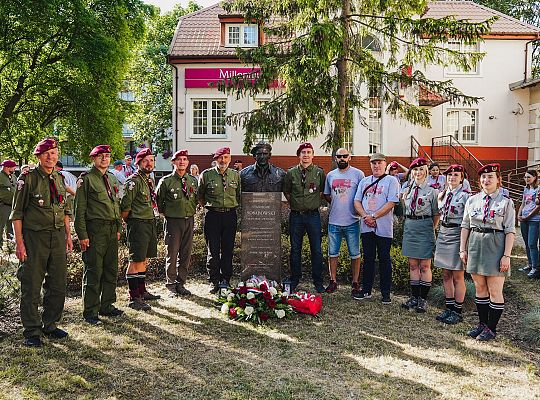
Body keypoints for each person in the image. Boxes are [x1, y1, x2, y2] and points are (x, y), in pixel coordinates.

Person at [11, 138, 73, 347]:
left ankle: (50, 324)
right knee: (31, 283)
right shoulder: (27, 178)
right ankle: (32, 330)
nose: (50, 157)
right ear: (38, 156)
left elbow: (64, 209)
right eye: (46, 153)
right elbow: (17, 214)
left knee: (57, 283)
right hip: (34, 237)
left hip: (56, 236)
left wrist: (67, 235)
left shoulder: (58, 177)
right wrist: (19, 244)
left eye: (54, 153)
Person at [460, 163, 515, 341]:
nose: (486, 180)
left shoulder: (506, 202)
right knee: (480, 288)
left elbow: (510, 231)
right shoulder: (472, 200)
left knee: (495, 289)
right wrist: (463, 249)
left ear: (498, 180)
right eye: (483, 177)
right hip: (476, 245)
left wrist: (506, 255)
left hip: (496, 246)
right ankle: (482, 324)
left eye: (490, 177)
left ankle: (492, 328)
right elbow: (465, 226)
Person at [74, 145, 123, 325]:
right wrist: (82, 234)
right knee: (94, 271)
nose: (105, 159)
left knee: (110, 270)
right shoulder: (86, 179)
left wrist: (118, 227)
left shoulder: (111, 178)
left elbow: (115, 205)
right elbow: (79, 209)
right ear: (93, 159)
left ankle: (107, 305)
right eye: (100, 156)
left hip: (111, 230)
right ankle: (91, 311)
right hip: (95, 230)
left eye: (107, 156)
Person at [353, 153, 399, 303]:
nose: (376, 166)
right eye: (373, 163)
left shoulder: (391, 181)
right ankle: (366, 290)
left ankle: (385, 293)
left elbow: (392, 202)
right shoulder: (365, 181)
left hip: (383, 227)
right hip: (367, 226)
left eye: (379, 163)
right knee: (368, 258)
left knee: (384, 259)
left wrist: (374, 216)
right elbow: (357, 201)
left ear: (385, 164)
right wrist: (366, 216)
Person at [121, 148, 160, 311]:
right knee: (135, 260)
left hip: (149, 222)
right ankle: (134, 296)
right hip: (137, 224)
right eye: (145, 161)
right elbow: (124, 207)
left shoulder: (148, 180)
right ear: (138, 163)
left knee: (143, 259)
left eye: (151, 160)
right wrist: (130, 222)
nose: (149, 163)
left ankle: (142, 291)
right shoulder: (133, 181)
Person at [283, 142, 326, 293]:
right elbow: (287, 193)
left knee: (317, 250)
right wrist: (297, 204)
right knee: (295, 249)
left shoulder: (319, 173)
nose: (306, 155)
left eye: (309, 152)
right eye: (303, 152)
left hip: (313, 216)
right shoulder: (291, 173)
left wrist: (310, 203)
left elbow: (321, 192)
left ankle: (318, 282)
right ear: (299, 155)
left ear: (313, 155)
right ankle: (295, 279)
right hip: (296, 216)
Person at [198, 147, 241, 293]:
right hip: (213, 215)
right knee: (213, 249)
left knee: (228, 249)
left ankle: (226, 279)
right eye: (220, 158)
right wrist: (211, 208)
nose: (223, 161)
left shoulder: (235, 175)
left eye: (226, 157)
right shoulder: (206, 175)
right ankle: (213, 280)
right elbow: (200, 196)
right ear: (215, 159)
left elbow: (239, 196)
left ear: (230, 159)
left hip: (230, 215)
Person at [156, 149, 198, 297]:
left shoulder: (192, 180)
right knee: (172, 253)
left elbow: (195, 199)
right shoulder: (166, 181)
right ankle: (171, 284)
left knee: (185, 254)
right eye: (178, 159)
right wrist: (168, 214)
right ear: (173, 162)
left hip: (189, 220)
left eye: (184, 159)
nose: (182, 162)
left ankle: (181, 283)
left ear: (187, 162)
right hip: (173, 221)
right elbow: (159, 202)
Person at [322, 148, 364, 295]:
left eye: (344, 156)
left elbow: (362, 196)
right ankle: (333, 281)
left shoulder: (359, 174)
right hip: (334, 221)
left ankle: (355, 282)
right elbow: (327, 195)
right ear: (335, 158)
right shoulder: (330, 175)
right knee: (333, 253)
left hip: (352, 221)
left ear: (349, 157)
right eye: (339, 156)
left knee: (355, 253)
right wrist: (336, 203)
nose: (342, 158)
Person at [401, 157, 440, 312]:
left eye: (421, 170)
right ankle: (414, 297)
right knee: (412, 265)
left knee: (424, 265)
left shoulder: (432, 191)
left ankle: (423, 300)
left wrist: (432, 228)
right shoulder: (407, 190)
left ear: (426, 172)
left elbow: (436, 213)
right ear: (412, 172)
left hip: (425, 227)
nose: (418, 172)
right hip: (410, 226)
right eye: (415, 170)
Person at [434, 164, 470, 324]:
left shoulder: (466, 196)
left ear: (461, 177)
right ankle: (448, 307)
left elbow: (467, 221)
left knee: (457, 275)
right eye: (450, 175)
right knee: (446, 274)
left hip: (457, 235)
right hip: (444, 233)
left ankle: (457, 310)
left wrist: (465, 244)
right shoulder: (442, 194)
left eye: (456, 174)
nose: (452, 177)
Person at [517, 170, 540, 279]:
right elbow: (522, 203)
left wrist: (528, 217)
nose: (526, 179)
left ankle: (536, 268)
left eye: (529, 177)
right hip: (524, 219)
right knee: (526, 243)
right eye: (525, 177)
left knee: (532, 243)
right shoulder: (526, 189)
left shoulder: (538, 189)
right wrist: (519, 214)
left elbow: (538, 207)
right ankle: (530, 265)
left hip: (534, 220)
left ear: (535, 177)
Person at [0, 160, 16, 248]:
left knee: (11, 227)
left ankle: (10, 246)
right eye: (13, 167)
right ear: (7, 167)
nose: (14, 168)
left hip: (12, 205)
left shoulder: (13, 176)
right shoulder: (0, 176)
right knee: (0, 226)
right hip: (2, 205)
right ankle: (0, 246)